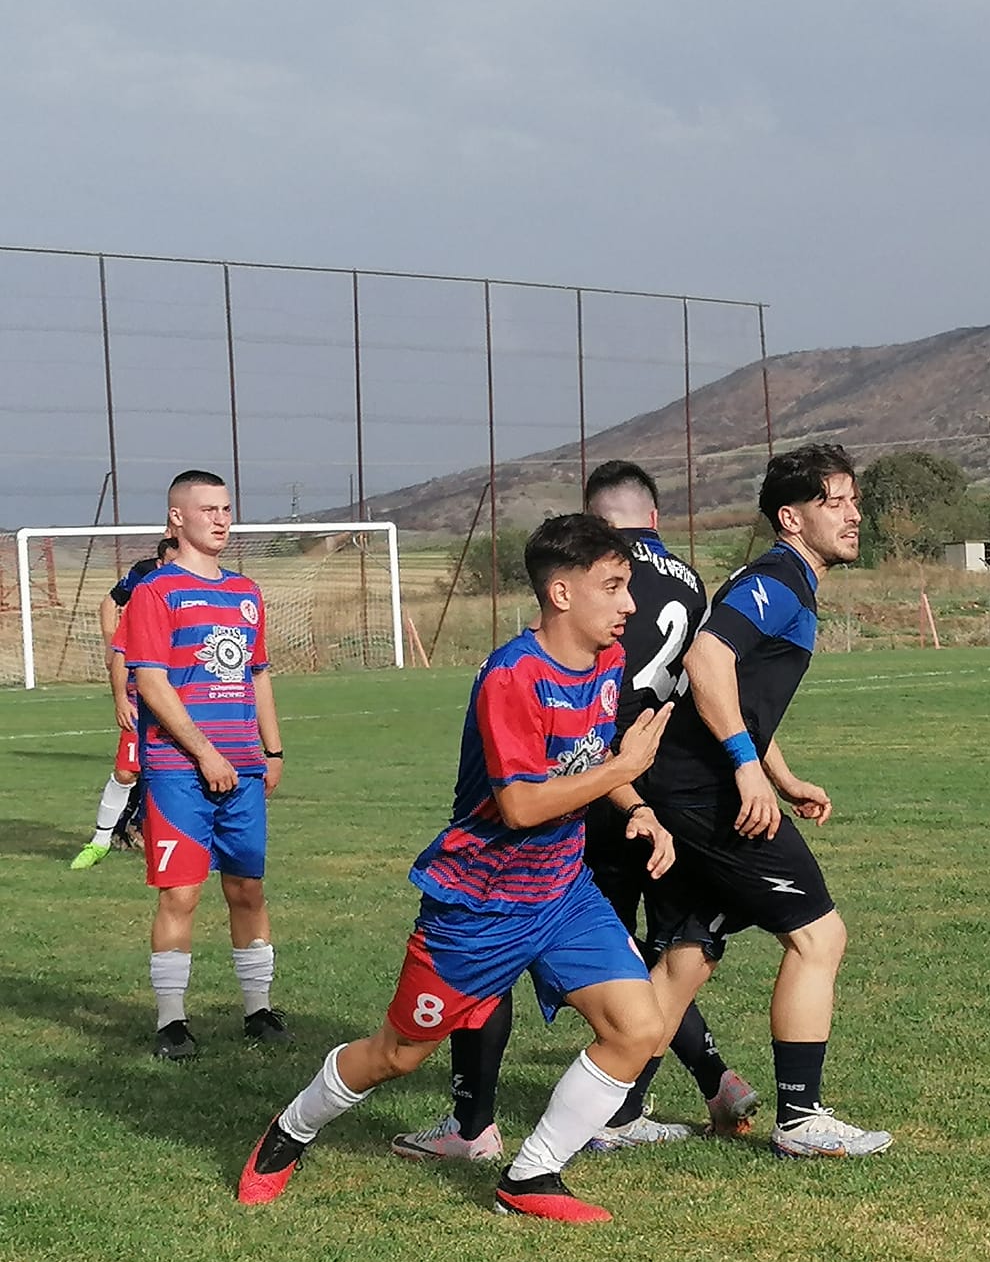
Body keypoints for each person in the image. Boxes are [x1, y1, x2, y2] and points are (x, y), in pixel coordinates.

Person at [237, 513, 681, 1223]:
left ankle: (531, 1177)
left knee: (640, 1027)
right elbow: (520, 807)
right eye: (615, 587)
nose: (630, 604)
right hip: (478, 907)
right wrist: (627, 768)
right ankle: (292, 1127)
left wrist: (634, 802)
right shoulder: (512, 676)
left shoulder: (606, 661)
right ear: (561, 593)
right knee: (396, 1056)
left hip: (563, 893)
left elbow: (588, 763)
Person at [389, 460, 759, 1165]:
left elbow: (563, 763)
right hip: (652, 787)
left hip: (586, 804)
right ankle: (693, 1085)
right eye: (614, 587)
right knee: (645, 959)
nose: (625, 602)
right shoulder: (685, 581)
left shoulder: (587, 632)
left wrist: (623, 781)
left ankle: (490, 1131)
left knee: (566, 972)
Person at [646, 441, 891, 1159]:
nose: (852, 516)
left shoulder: (788, 580)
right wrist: (747, 770)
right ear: (791, 518)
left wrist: (778, 773)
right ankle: (801, 1117)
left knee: (688, 953)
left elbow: (736, 694)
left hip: (690, 782)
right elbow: (706, 659)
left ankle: (614, 1110)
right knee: (820, 936)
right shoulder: (778, 576)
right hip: (708, 789)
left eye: (853, 501)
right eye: (834, 503)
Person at [120, 473, 288, 1059]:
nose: (220, 519)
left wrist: (273, 750)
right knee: (181, 895)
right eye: (207, 509)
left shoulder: (246, 591)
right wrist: (205, 752)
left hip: (243, 768)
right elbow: (151, 682)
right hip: (176, 769)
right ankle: (172, 1022)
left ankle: (259, 1010)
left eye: (226, 509)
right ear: (176, 519)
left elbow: (257, 675)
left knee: (247, 889)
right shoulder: (156, 591)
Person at [71, 533, 178, 869]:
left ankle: (163, 835)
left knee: (178, 771)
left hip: (187, 695)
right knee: (126, 771)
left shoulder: (195, 590)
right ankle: (101, 840)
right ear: (161, 563)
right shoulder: (144, 591)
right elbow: (121, 649)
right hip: (143, 694)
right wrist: (120, 697)